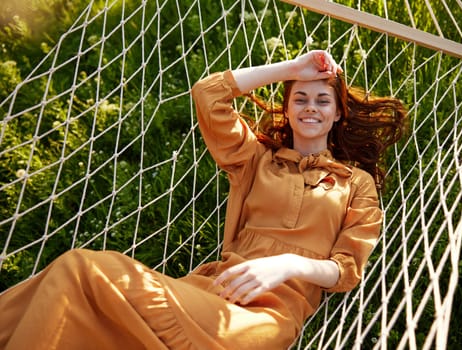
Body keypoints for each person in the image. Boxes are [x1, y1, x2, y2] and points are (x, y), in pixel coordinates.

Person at [0, 50, 407, 349]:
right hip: (206, 291)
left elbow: (347, 270)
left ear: (338, 114)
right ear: (287, 108)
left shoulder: (355, 183)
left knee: (79, 269)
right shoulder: (256, 160)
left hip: (260, 319)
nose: (311, 108)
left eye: (322, 101)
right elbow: (208, 94)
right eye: (300, 98)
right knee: (66, 282)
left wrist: (286, 265)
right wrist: (292, 69)